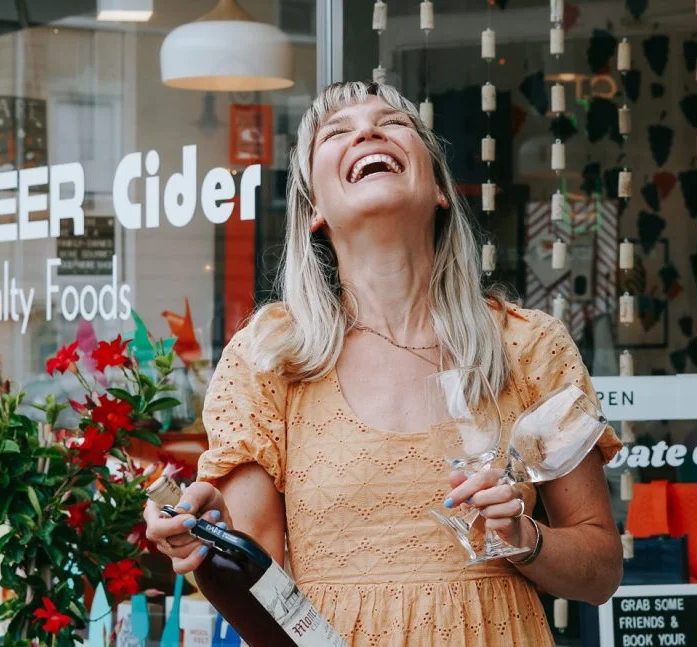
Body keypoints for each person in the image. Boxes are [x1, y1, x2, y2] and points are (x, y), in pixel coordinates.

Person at [145, 81, 624, 646]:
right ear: (314, 211)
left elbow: (601, 571)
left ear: (441, 191)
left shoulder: (527, 345)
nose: (367, 131)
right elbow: (261, 588)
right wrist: (209, 535)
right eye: (336, 132)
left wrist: (523, 537)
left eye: (393, 123)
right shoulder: (269, 357)